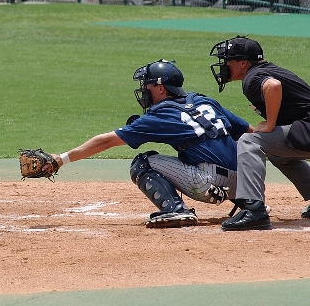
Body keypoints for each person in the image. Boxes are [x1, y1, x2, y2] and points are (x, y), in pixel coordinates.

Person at [42, 59, 252, 228]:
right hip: (244, 185)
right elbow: (249, 132)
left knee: (143, 162)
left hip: (207, 184)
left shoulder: (162, 114)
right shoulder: (204, 101)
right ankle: (250, 205)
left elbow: (105, 141)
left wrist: (61, 159)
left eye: (147, 85)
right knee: (202, 147)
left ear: (160, 88)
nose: (144, 90)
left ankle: (176, 210)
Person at [210, 36, 310, 231]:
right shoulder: (267, 70)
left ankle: (254, 210)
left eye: (228, 60)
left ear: (243, 63)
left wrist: (270, 124)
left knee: (250, 141)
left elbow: (273, 86)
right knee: (278, 154)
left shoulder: (252, 78)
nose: (224, 65)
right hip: (305, 129)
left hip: (306, 130)